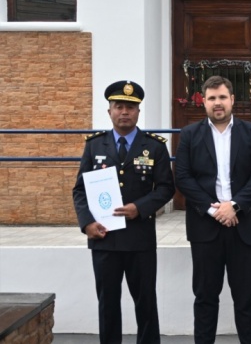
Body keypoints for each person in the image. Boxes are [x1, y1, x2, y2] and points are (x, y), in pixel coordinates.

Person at [73, 80, 175, 344]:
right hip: (103, 238)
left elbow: (166, 188)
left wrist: (139, 208)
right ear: (109, 111)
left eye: (131, 107)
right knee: (107, 303)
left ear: (139, 111)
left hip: (139, 238)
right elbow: (80, 191)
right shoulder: (94, 145)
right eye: (119, 106)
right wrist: (87, 224)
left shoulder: (154, 146)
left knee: (146, 302)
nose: (125, 112)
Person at [174, 75, 251, 344]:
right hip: (206, 228)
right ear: (203, 102)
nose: (218, 103)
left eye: (222, 98)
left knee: (246, 299)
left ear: (232, 101)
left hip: (245, 227)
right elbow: (183, 177)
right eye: (212, 98)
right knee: (205, 298)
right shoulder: (190, 134)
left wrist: (234, 205)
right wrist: (212, 209)